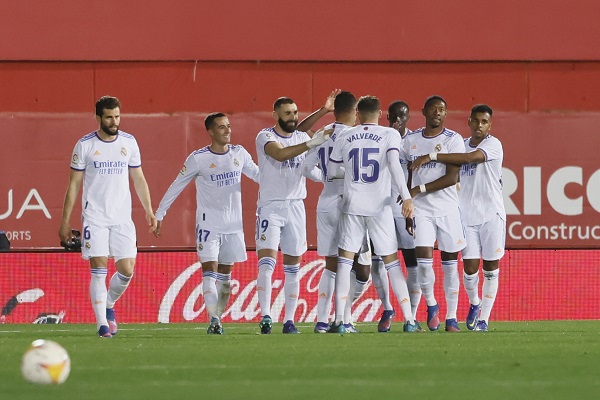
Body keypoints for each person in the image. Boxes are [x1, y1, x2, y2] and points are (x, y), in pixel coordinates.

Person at [58, 96, 157, 338]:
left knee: (127, 269)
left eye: (117, 116)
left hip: (122, 218)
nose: (114, 122)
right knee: (99, 269)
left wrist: (149, 209)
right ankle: (102, 324)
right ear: (99, 118)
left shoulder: (129, 143)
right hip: (95, 218)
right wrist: (64, 222)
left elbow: (139, 179)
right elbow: (73, 185)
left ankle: (109, 304)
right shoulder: (85, 145)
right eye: (109, 117)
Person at [153, 112, 259, 334]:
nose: (227, 130)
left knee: (226, 280)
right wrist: (160, 214)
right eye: (221, 127)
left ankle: (217, 317)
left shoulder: (239, 154)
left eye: (228, 126)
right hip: (208, 225)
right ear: (210, 131)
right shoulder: (198, 158)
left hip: (234, 227)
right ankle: (214, 321)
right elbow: (177, 185)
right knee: (209, 272)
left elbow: (260, 176)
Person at [410, 104, 505, 332]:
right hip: (466, 215)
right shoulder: (459, 144)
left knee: (490, 268)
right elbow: (452, 171)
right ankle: (475, 303)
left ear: (490, 125)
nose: (480, 126)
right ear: (469, 122)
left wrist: (431, 155)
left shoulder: (493, 145)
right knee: (470, 270)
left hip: (492, 214)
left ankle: (484, 319)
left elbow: (471, 158)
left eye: (485, 122)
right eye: (476, 121)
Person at [328, 95, 417, 334]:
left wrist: (348, 174)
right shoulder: (390, 135)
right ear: (379, 113)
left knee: (345, 263)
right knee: (391, 262)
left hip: (352, 205)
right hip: (380, 207)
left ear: (358, 114)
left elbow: (332, 170)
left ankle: (340, 321)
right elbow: (394, 165)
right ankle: (409, 319)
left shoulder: (345, 135)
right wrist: (406, 196)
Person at [255, 92, 336, 334]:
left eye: (295, 112)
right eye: (287, 112)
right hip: (271, 206)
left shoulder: (300, 136)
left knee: (293, 267)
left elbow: (301, 137)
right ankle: (266, 316)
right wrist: (313, 142)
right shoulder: (265, 136)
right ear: (275, 114)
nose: (292, 117)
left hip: (296, 207)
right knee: (267, 264)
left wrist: (323, 111)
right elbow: (280, 154)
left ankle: (289, 321)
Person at [302, 91, 373, 333]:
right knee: (354, 267)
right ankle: (343, 319)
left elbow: (306, 167)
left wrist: (324, 178)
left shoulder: (324, 133)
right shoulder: (354, 136)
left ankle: (323, 321)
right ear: (355, 112)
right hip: (350, 203)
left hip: (326, 202)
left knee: (332, 266)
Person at [401, 95, 466, 332]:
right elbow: (405, 174)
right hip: (422, 211)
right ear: (424, 111)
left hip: (448, 209)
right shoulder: (411, 140)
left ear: (445, 114)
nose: (438, 113)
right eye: (433, 109)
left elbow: (452, 177)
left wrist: (419, 189)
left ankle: (451, 317)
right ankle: (432, 305)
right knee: (424, 263)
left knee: (450, 265)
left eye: (442, 110)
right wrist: (408, 201)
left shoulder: (453, 140)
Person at [372, 100, 423, 332]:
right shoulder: (381, 137)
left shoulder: (413, 142)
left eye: (401, 117)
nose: (397, 121)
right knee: (378, 260)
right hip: (380, 209)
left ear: (408, 118)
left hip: (406, 210)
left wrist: (412, 203)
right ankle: (388, 308)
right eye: (393, 116)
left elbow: (418, 176)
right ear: (387, 117)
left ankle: (410, 314)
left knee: (413, 262)